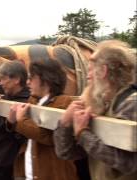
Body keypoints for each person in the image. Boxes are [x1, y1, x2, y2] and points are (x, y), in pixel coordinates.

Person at [54, 40, 137, 180]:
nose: (87, 76)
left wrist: (83, 133)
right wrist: (65, 124)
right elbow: (68, 153)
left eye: (90, 69)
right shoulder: (101, 106)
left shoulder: (132, 103)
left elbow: (128, 163)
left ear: (103, 71)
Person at [7, 60, 80, 180]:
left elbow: (47, 136)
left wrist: (21, 121)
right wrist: (11, 122)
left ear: (46, 79)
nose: (28, 82)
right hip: (29, 172)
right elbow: (25, 134)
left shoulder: (64, 102)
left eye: (32, 77)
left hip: (53, 174)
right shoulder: (33, 101)